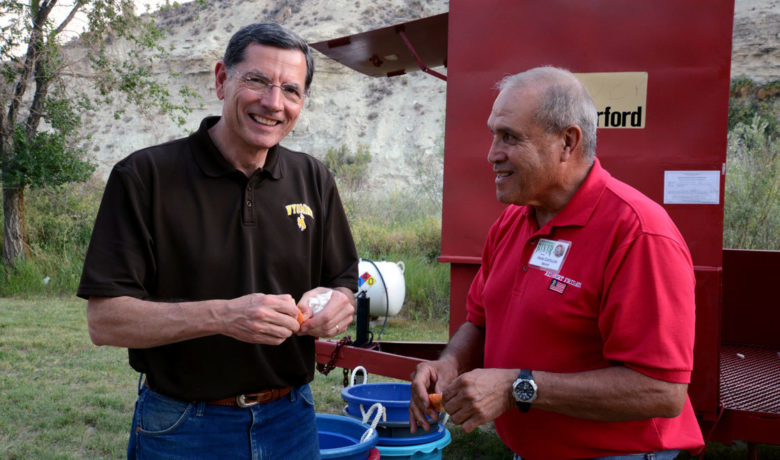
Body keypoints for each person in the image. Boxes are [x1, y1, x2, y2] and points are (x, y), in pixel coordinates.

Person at [78, 22, 358, 459]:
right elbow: (106, 321)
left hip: (292, 420)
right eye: (257, 81)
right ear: (222, 80)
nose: (273, 103)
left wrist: (338, 302)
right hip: (183, 427)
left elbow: (343, 281)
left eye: (291, 90)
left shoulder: (313, 178)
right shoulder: (145, 177)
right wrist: (224, 316)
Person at [408, 67, 705, 459]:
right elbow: (479, 321)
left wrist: (518, 387)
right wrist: (450, 363)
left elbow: (662, 391)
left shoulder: (638, 234)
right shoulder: (514, 220)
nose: (492, 154)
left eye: (510, 137)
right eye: (493, 135)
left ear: (567, 142)